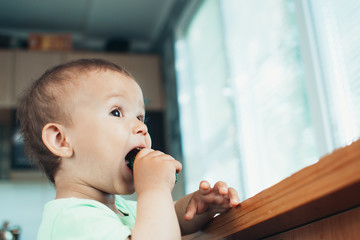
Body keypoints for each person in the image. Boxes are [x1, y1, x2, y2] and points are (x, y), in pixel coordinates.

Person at [17, 58, 240, 240]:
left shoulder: (122, 208)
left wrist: (197, 207)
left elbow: (167, 219)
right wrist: (154, 189)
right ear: (61, 141)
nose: (141, 127)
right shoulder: (72, 219)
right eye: (116, 112)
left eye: (141, 117)